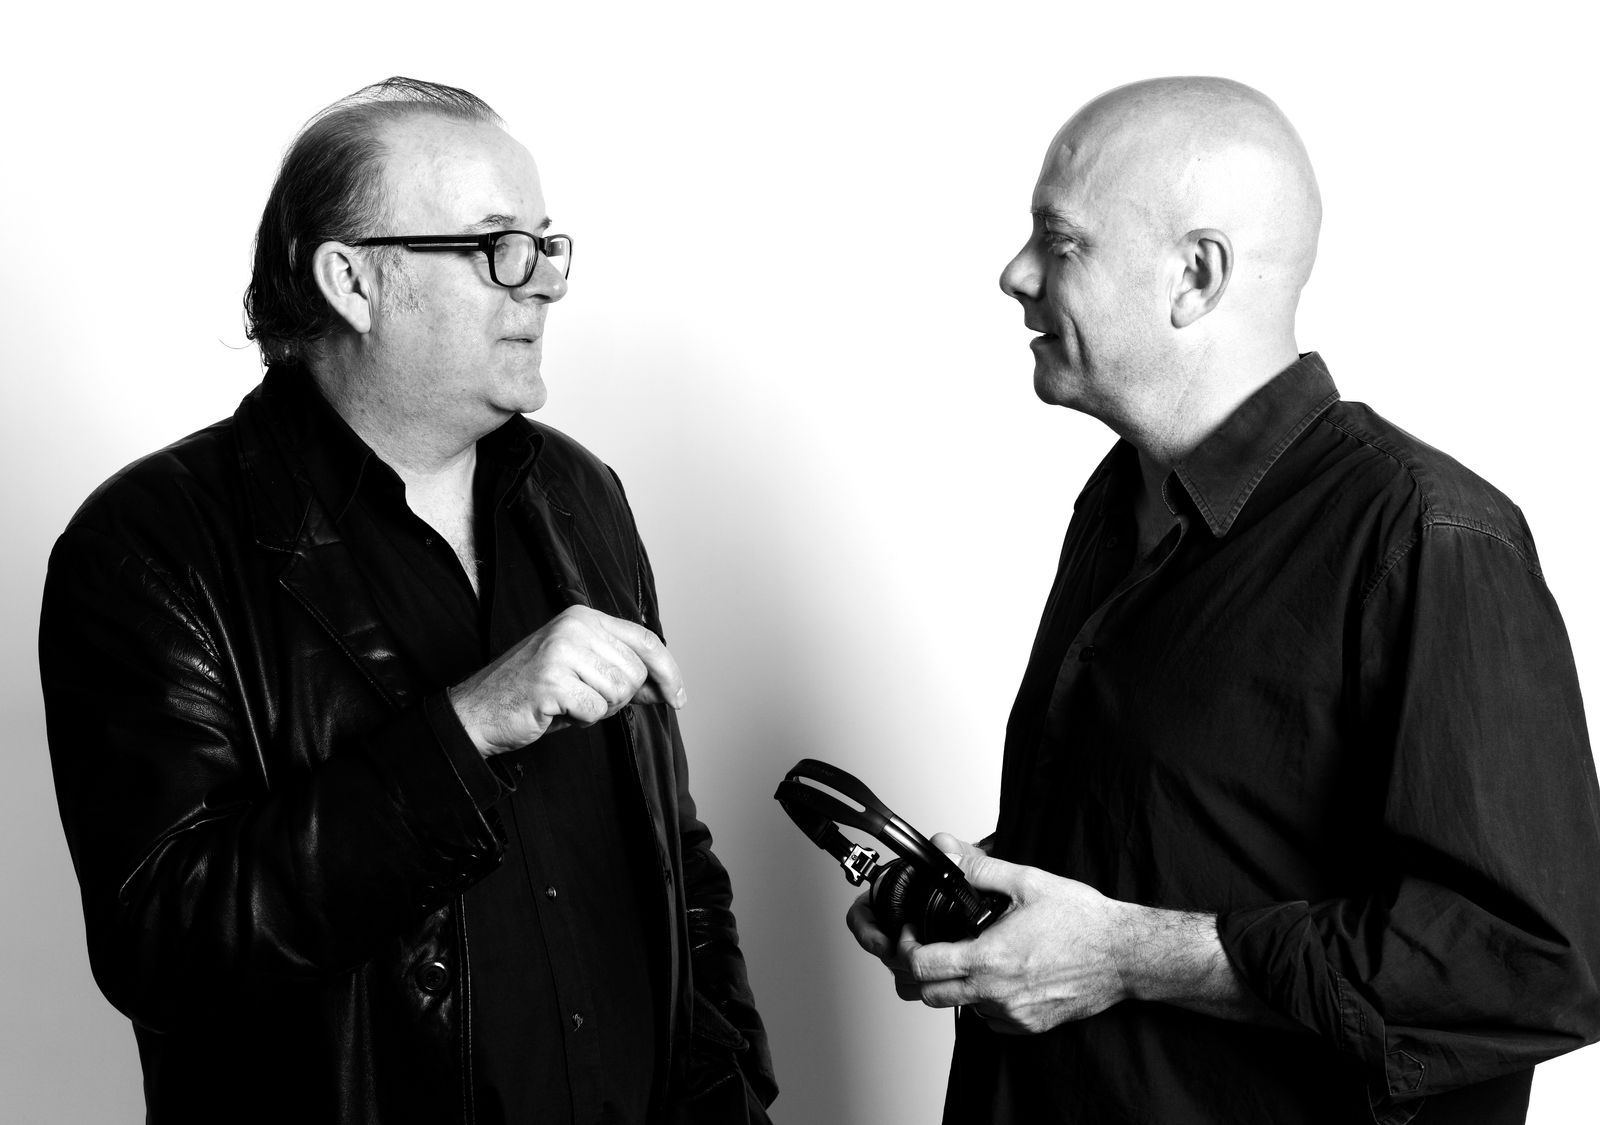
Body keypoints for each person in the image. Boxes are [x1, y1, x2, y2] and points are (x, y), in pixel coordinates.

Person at [848, 76, 1600, 1124]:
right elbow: (1158, 848)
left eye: (1059, 242)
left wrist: (1132, 956)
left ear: (1195, 275)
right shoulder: (1116, 505)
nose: (1014, 273)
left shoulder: (1426, 535)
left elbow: (1527, 962)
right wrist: (974, 909)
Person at [39, 77, 775, 1125]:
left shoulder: (580, 495)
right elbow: (166, 942)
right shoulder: (153, 545)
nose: (542, 284)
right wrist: (467, 728)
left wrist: (730, 1097)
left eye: (544, 244)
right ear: (351, 279)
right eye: (495, 246)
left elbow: (672, 853)